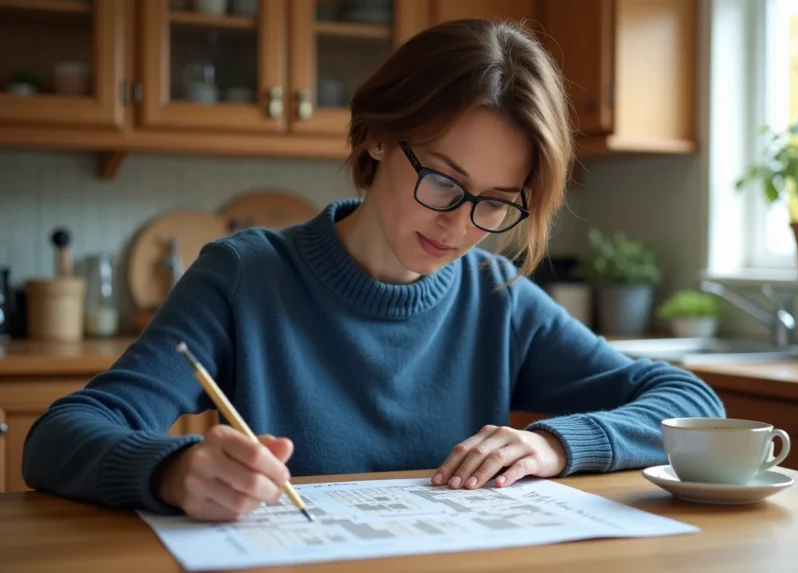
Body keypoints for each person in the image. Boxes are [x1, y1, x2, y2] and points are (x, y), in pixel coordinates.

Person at [22, 18, 724, 522]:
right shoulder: (246, 275)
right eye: (444, 181)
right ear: (379, 136)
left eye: (495, 204)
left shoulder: (496, 295)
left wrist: (551, 443)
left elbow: (691, 402)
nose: (459, 225)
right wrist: (170, 470)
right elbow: (59, 435)